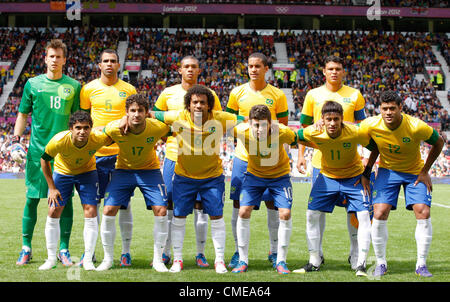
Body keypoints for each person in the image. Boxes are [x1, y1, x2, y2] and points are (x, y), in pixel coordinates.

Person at [154, 84, 244, 274]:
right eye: (195, 102)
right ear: (188, 104)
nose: (198, 106)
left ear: (209, 105)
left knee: (216, 216)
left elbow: (246, 119)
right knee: (178, 216)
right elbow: (153, 114)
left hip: (212, 178)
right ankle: (177, 260)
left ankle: (219, 260)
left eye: (203, 102)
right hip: (184, 177)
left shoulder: (221, 118)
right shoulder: (178, 116)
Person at [360, 90, 444, 277]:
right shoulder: (370, 125)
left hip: (414, 172)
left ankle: (421, 264)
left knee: (423, 211)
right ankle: (381, 262)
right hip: (387, 172)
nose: (388, 112)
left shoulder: (416, 126)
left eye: (392, 108)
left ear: (400, 108)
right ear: (379, 109)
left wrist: (425, 171)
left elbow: (439, 142)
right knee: (379, 212)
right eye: (384, 109)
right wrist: (366, 172)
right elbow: (356, 134)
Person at [14, 39, 81, 266]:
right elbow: (23, 114)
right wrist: (16, 140)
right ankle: (26, 247)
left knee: (65, 201)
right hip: (37, 152)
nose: (54, 60)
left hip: (64, 154)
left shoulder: (74, 86)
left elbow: (77, 120)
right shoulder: (32, 84)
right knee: (32, 198)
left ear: (64, 59)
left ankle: (63, 249)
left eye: (58, 56)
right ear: (45, 58)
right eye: (50, 56)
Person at [296, 55, 367, 270]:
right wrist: (300, 156)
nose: (334, 72)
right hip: (321, 163)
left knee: (354, 212)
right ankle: (317, 256)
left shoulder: (355, 94)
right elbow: (303, 130)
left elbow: (363, 127)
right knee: (317, 212)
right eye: (330, 68)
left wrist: (364, 155)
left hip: (350, 161)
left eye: (338, 68)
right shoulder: (312, 95)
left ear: (343, 71)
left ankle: (355, 256)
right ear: (324, 71)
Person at [153, 56, 223, 268]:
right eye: (186, 67)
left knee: (201, 206)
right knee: (170, 205)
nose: (190, 70)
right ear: (180, 70)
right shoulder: (168, 93)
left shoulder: (210, 96)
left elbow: (217, 119)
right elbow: (158, 119)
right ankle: (167, 252)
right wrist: (167, 138)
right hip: (174, 158)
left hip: (201, 159)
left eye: (194, 67)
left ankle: (200, 253)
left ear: (199, 70)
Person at [293, 101, 373, 277]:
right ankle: (314, 260)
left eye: (336, 119)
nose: (332, 123)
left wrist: (366, 173)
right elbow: (295, 137)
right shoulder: (314, 131)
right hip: (327, 177)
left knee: (363, 216)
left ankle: (361, 263)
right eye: (328, 119)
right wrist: (316, 143)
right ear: (322, 119)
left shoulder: (354, 131)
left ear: (342, 119)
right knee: (311, 214)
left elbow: (374, 146)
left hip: (353, 178)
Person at [226, 52, 289, 268]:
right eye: (250, 66)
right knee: (239, 204)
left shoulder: (277, 95)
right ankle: (238, 251)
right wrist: (245, 122)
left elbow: (283, 126)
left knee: (273, 203)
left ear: (266, 69)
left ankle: (273, 250)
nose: (253, 70)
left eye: (258, 66)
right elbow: (228, 121)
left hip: (270, 159)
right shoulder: (237, 92)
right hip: (244, 157)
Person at [96, 94, 171, 272]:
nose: (136, 114)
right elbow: (97, 131)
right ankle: (107, 259)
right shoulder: (115, 128)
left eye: (140, 111)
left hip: (150, 171)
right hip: (123, 171)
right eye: (132, 111)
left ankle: (158, 259)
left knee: (161, 210)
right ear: (126, 113)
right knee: (108, 209)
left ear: (146, 113)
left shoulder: (158, 127)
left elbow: (175, 132)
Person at [80, 49, 137, 267]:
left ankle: (125, 251)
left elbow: (134, 115)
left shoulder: (129, 89)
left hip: (121, 156)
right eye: (105, 61)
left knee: (124, 205)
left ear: (119, 65)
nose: (109, 64)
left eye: (113, 61)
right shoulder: (88, 89)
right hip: (96, 157)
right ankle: (90, 253)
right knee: (92, 205)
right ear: (99, 65)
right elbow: (83, 119)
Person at [39, 111, 112, 271]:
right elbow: (44, 160)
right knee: (54, 211)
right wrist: (51, 187)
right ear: (71, 128)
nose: (82, 131)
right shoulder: (59, 140)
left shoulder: (97, 138)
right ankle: (51, 259)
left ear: (91, 129)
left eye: (86, 128)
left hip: (87, 173)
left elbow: (113, 134)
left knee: (91, 211)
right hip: (63, 172)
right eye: (78, 127)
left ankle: (87, 259)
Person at [231, 104, 298, 275]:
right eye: (256, 125)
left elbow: (297, 139)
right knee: (243, 211)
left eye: (263, 125)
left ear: (270, 123)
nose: (259, 129)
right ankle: (243, 260)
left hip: (279, 177)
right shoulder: (241, 131)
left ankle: (281, 260)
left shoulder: (282, 132)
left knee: (284, 213)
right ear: (249, 123)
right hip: (254, 176)